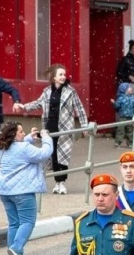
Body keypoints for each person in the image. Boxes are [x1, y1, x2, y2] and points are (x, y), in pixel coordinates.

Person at [14, 63, 89, 195]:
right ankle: (57, 183)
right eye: (60, 74)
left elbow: (80, 108)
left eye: (64, 75)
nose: (63, 77)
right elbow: (37, 104)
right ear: (54, 77)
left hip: (65, 128)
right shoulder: (47, 91)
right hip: (49, 128)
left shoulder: (70, 91)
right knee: (53, 156)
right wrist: (23, 107)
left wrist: (84, 126)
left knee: (63, 156)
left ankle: (62, 183)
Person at [0, 122, 53, 255]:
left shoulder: (2, 147)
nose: (23, 134)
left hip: (5, 192)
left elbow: (18, 148)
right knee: (28, 221)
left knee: (14, 223)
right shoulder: (24, 148)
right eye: (20, 132)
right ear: (14, 135)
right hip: (22, 192)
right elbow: (44, 153)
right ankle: (16, 249)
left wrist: (29, 137)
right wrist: (46, 138)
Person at [111, 83, 134, 148]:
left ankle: (130, 142)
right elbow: (117, 105)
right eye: (129, 88)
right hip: (123, 117)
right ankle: (118, 142)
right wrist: (114, 103)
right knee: (121, 130)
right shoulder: (121, 98)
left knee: (130, 131)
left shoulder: (132, 99)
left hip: (131, 117)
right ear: (125, 89)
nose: (131, 89)